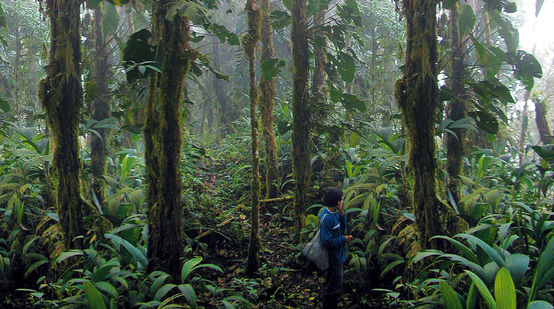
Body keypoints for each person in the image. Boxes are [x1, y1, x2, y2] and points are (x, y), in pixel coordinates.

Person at [319, 187, 353, 309]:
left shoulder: (334, 214)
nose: (342, 201)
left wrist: (342, 216)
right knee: (332, 287)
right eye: (341, 200)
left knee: (336, 284)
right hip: (332, 258)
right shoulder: (326, 218)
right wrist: (344, 239)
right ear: (337, 202)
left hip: (338, 255)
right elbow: (325, 241)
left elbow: (341, 229)